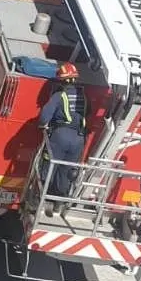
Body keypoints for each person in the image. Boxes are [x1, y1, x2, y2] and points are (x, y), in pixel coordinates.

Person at [38, 62, 89, 216]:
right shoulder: (84, 97)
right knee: (66, 171)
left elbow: (44, 117)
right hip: (79, 139)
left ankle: (44, 200)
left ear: (61, 80)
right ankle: (58, 203)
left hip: (60, 136)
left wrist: (43, 125)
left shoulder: (59, 96)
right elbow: (88, 113)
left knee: (49, 165)